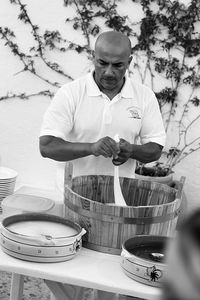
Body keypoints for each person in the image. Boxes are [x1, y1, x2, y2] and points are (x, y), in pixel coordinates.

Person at [39, 31, 166, 300]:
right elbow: (47, 145)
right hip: (69, 203)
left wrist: (132, 150)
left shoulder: (143, 97)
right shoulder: (71, 93)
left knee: (108, 281)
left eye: (117, 65)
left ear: (129, 62)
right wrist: (91, 147)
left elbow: (155, 148)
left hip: (116, 211)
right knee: (64, 276)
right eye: (102, 63)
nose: (108, 71)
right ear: (93, 59)